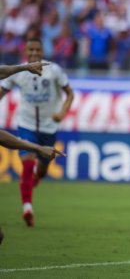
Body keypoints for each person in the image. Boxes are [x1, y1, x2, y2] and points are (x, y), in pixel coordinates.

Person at [0, 37, 74, 227]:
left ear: (42, 51)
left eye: (37, 50)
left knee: (42, 168)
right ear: (26, 51)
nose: (33, 53)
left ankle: (37, 177)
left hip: (49, 127)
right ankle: (27, 208)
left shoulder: (54, 70)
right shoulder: (19, 72)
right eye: (30, 50)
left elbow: (70, 93)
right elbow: (2, 91)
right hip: (26, 124)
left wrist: (63, 112)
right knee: (27, 161)